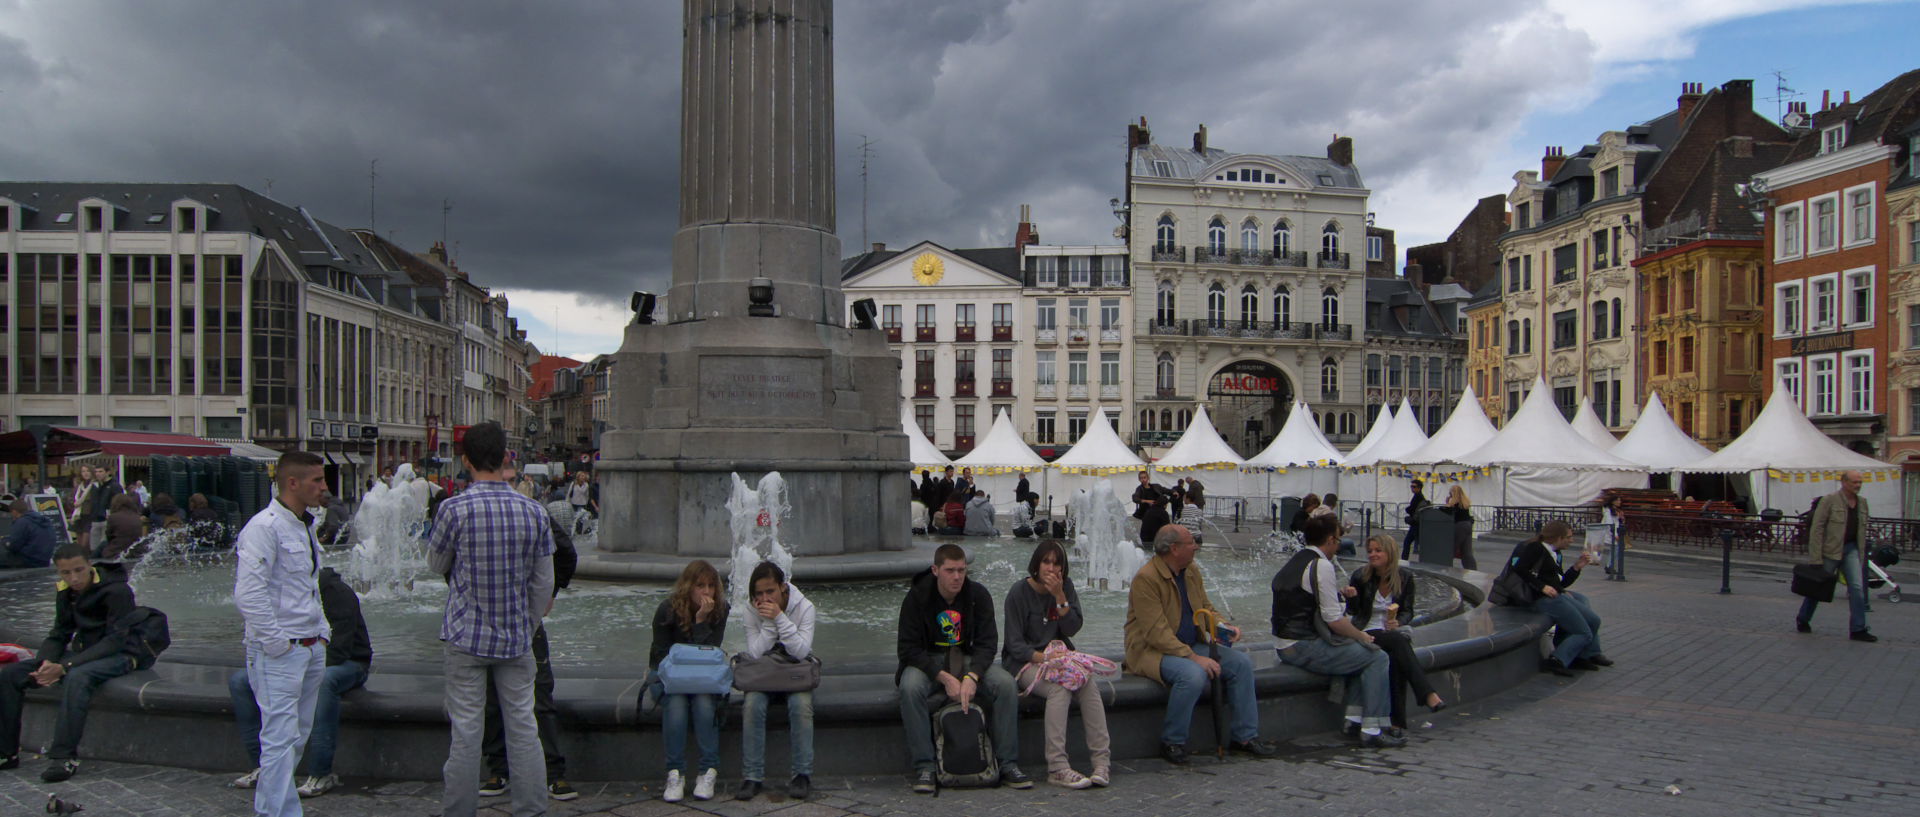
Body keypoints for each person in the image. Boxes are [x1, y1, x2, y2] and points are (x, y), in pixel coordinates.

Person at [428, 423, 555, 817]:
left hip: (466, 637)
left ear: (465, 461)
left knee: (466, 732)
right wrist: (527, 623)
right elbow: (544, 582)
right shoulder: (534, 511)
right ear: (505, 458)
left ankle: (459, 810)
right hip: (516, 639)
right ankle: (531, 809)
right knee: (523, 727)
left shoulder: (454, 508)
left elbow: (435, 564)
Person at [1124, 525, 1279, 763]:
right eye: (1191, 543)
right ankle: (1172, 741)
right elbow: (1157, 634)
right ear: (1174, 549)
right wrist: (1194, 658)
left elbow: (1205, 609)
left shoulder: (1191, 571)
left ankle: (1245, 737)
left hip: (1188, 645)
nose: (1196, 546)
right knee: (1192, 675)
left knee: (1241, 664)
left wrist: (1223, 627)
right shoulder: (1146, 579)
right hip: (1151, 652)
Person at [232, 450, 333, 817]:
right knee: (278, 738)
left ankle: (278, 809)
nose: (324, 487)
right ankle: (277, 813)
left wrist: (321, 633)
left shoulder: (304, 524)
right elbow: (248, 593)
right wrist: (276, 643)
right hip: (282, 650)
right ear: (293, 483)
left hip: (308, 645)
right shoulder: (264, 527)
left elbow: (309, 585)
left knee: (296, 736)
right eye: (317, 481)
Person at [896, 543, 1031, 793]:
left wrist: (972, 675)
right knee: (910, 687)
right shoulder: (917, 596)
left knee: (1005, 684)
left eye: (961, 570)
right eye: (950, 570)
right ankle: (925, 766)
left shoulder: (978, 595)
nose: (957, 577)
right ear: (935, 570)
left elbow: (987, 644)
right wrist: (944, 677)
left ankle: (1007, 763)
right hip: (929, 662)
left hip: (968, 659)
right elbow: (908, 649)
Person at [228, 567, 372, 799]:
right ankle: (264, 767)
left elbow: (339, 650)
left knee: (324, 682)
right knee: (240, 681)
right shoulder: (278, 589)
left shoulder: (336, 592)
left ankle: (321, 772)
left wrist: (295, 668)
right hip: (296, 661)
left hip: (349, 663)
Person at [0, 543, 137, 781]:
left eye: (78, 570)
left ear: (89, 566)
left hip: (122, 655)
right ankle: (6, 752)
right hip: (84, 655)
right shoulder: (65, 591)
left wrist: (65, 666)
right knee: (10, 675)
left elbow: (115, 641)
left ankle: (64, 757)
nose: (73, 578)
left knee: (77, 678)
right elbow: (60, 633)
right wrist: (45, 663)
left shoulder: (118, 591)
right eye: (65, 572)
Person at [479, 501, 581, 803]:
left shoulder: (530, 512)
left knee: (540, 694)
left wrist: (550, 593)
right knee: (492, 696)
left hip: (525, 619)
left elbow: (566, 551)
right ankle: (499, 769)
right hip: (488, 619)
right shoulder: (475, 510)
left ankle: (551, 772)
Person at [1272, 517, 1401, 747]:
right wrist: (1363, 636)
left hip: (1285, 643)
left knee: (1356, 654)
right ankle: (1372, 728)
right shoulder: (1321, 565)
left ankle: (1352, 719)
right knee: (1376, 657)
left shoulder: (1297, 560)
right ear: (1331, 540)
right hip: (1303, 645)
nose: (1339, 545)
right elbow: (1334, 621)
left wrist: (1341, 599)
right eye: (1338, 540)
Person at [1003, 540, 1109, 789]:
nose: (1051, 568)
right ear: (1036, 564)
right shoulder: (1019, 592)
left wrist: (1060, 597)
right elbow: (1014, 644)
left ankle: (1102, 761)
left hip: (1060, 660)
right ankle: (1057, 767)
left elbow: (1072, 627)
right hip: (1025, 663)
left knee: (1088, 683)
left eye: (1057, 563)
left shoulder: (1066, 588)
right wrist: (1044, 659)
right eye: (1046, 562)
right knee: (1059, 689)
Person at [1345, 535, 1444, 737]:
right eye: (1370, 550)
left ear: (1389, 553)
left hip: (1391, 632)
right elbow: (1355, 613)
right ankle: (1427, 694)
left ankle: (1397, 723)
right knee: (1399, 642)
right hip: (1366, 630)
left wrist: (1399, 622)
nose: (1372, 554)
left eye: (1377, 550)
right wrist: (1351, 597)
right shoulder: (1360, 576)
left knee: (1396, 658)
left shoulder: (1405, 577)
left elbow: (1408, 610)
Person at [734, 561, 816, 802]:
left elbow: (801, 651)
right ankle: (752, 776)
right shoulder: (751, 609)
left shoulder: (805, 607)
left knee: (801, 706)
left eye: (770, 591)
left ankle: (802, 774)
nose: (764, 598)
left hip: (795, 674)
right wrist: (770, 623)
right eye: (758, 594)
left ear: (782, 587)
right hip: (764, 675)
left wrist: (779, 617)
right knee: (752, 705)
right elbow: (756, 652)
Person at [650, 560, 728, 803]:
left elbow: (710, 652)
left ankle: (708, 771)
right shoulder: (667, 609)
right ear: (688, 586)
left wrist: (702, 621)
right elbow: (660, 655)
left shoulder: (720, 610)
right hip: (667, 676)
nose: (706, 592)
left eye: (711, 586)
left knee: (705, 703)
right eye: (700, 586)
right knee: (676, 704)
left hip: (703, 678)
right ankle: (675, 773)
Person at [1511, 520, 1610, 675]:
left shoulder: (1555, 553)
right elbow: (1519, 569)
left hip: (1557, 596)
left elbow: (1560, 582)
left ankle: (1584, 655)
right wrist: (1542, 587)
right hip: (1542, 599)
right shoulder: (1536, 548)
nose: (1572, 540)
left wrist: (1577, 567)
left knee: (1593, 620)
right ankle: (1557, 660)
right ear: (1558, 537)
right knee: (1583, 632)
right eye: (1568, 537)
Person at [1797, 471, 1875, 642]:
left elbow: (1862, 529)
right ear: (1844, 482)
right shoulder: (1829, 500)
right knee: (1817, 587)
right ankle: (1803, 618)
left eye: (1860, 482)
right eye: (1855, 482)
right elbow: (1817, 529)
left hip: (1852, 550)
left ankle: (1858, 629)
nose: (1858, 485)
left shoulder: (1863, 503)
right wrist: (1816, 557)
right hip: (1830, 551)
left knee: (1857, 589)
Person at [4, 497, 59, 569]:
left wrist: (5, 542)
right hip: (45, 560)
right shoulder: (44, 519)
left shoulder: (22, 522)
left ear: (14, 511)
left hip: (29, 560)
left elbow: (14, 545)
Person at [98, 493, 147, 560]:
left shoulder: (113, 517)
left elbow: (109, 536)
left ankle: (90, 564)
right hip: (134, 552)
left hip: (116, 552)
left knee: (102, 545)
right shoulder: (137, 517)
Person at [1440, 485, 1476, 570]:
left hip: (1460, 526)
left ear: (1453, 493)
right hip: (1468, 525)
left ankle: (1445, 567)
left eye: (1450, 493)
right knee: (1466, 551)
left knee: (1452, 547)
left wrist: (1447, 502)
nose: (1450, 495)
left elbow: (1446, 510)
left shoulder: (1455, 503)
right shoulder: (1464, 502)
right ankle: (1472, 569)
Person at [1403, 479, 1431, 560]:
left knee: (1407, 542)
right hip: (1416, 523)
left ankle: (1404, 559)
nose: (1412, 488)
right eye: (1411, 486)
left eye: (1414, 487)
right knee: (1414, 542)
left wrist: (1407, 510)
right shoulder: (1417, 496)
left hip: (1416, 524)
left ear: (1419, 488)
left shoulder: (1418, 497)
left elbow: (1411, 509)